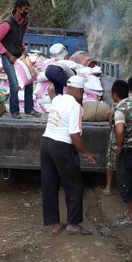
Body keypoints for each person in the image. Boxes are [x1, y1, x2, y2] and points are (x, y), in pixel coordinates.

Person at [40, 75, 97, 236]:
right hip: (62, 146)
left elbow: (52, 94)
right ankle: (73, 224)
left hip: (46, 143)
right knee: (74, 185)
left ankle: (55, 224)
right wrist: (87, 153)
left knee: (49, 185)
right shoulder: (75, 107)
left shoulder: (58, 100)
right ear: (79, 91)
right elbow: (74, 135)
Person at [0, 0, 40, 119]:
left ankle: (29, 109)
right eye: (24, 9)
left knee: (29, 80)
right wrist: (8, 55)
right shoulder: (7, 24)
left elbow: (19, 39)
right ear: (18, 9)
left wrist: (23, 48)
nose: (26, 12)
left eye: (27, 10)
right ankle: (15, 111)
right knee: (14, 83)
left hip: (19, 55)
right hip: (8, 57)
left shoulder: (24, 23)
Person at [108, 80, 132, 225]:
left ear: (114, 95)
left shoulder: (120, 110)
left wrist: (118, 147)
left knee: (126, 183)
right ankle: (131, 212)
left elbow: (120, 130)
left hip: (127, 152)